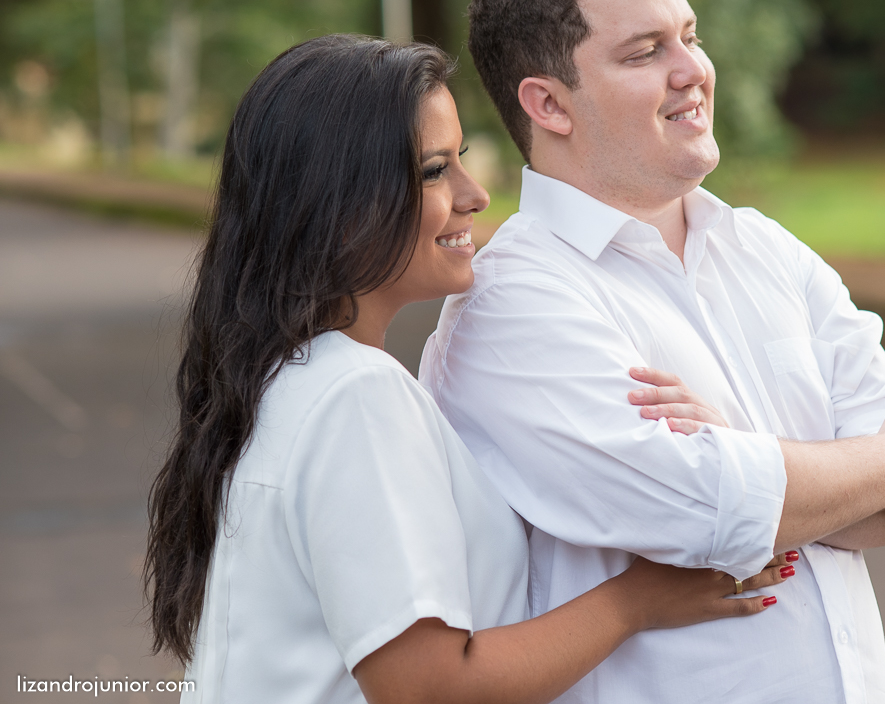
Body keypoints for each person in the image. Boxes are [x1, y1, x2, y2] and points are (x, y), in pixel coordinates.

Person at [421, 0, 885, 704]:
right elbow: (706, 511)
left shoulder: (763, 249)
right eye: (645, 51)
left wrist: (749, 460)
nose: (694, 71)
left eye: (690, 35)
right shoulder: (514, 303)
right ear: (548, 103)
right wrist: (877, 463)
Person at [142, 34, 790, 704]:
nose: (474, 194)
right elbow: (426, 686)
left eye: (461, 161)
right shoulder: (354, 396)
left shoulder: (291, 379)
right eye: (432, 171)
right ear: (335, 203)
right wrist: (637, 600)